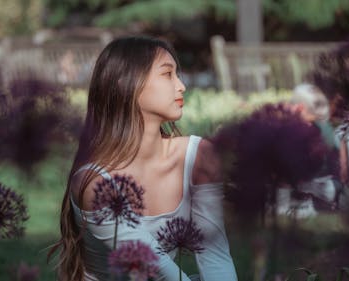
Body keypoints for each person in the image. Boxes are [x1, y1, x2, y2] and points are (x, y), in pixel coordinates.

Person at [49, 37, 237, 281]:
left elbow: (214, 255)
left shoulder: (199, 156)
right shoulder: (96, 183)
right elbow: (158, 273)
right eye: (167, 74)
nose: (181, 86)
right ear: (126, 84)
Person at [276, 83, 341, 219]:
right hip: (326, 187)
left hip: (317, 187)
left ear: (300, 107)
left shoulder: (309, 128)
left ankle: (284, 208)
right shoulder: (322, 125)